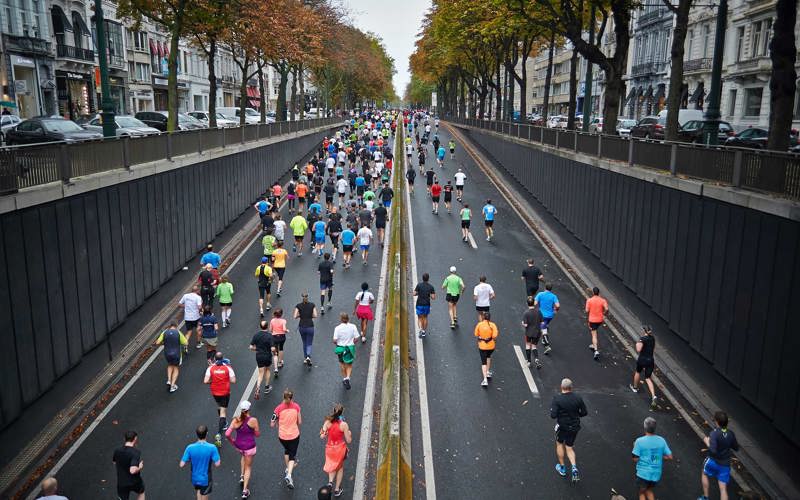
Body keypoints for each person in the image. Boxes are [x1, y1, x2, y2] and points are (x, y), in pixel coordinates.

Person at [550, 378, 588, 482]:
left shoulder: (557, 399)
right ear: (571, 387)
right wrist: (576, 415)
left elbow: (553, 415)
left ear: (561, 387)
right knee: (569, 447)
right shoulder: (578, 398)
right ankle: (574, 467)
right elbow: (584, 413)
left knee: (559, 444)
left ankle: (562, 468)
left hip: (562, 427)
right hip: (574, 427)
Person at [698, 411, 740, 500]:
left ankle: (705, 497)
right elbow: (736, 448)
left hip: (712, 461)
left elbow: (713, 450)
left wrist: (707, 442)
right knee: (723, 489)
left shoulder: (714, 434)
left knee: (704, 473)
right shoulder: (731, 434)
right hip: (725, 464)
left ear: (716, 422)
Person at [632, 417, 673, 500]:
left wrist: (635, 448)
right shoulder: (661, 440)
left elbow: (635, 459)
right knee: (649, 490)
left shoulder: (639, 441)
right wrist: (658, 456)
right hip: (656, 474)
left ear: (645, 427)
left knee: (642, 492)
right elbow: (670, 457)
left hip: (643, 473)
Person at [225, 401, 260, 499]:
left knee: (243, 457)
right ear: (249, 409)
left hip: (239, 447)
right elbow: (257, 434)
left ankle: (241, 476)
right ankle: (245, 491)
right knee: (248, 467)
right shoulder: (253, 420)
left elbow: (227, 434)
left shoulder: (236, 420)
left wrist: (233, 442)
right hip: (250, 447)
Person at [179, 425, 221, 500]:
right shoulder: (212, 448)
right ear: (207, 433)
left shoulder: (189, 447)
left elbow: (182, 464)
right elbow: (217, 464)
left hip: (195, 478)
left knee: (198, 490)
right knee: (204, 494)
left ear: (197, 434)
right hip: (205, 478)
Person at [272, 389, 302, 489]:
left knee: (287, 450)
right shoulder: (296, 407)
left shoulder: (278, 409)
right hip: (294, 435)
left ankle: (287, 468)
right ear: (292, 398)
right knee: (292, 456)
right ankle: (289, 475)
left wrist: (277, 423)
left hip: (282, 436)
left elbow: (272, 423)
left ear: (283, 397)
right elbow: (300, 421)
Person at [204, 352, 236, 446]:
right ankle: (219, 433)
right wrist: (225, 379)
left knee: (219, 406)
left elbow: (205, 381)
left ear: (214, 358)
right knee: (223, 412)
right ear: (223, 358)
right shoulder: (228, 368)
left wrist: (213, 380)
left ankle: (224, 422)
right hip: (225, 392)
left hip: (215, 392)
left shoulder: (210, 368)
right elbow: (233, 380)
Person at [321, 404, 352, 497]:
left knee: (332, 464)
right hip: (339, 449)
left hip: (330, 448)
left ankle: (330, 482)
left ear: (333, 411)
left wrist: (325, 433)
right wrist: (349, 433)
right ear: (342, 413)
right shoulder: (344, 425)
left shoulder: (327, 422)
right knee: (339, 467)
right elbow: (349, 440)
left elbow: (322, 436)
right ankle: (337, 489)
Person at [629, 325, 658, 409]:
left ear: (644, 330)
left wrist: (637, 343)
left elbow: (638, 349)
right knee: (648, 378)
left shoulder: (642, 339)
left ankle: (635, 387)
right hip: (650, 360)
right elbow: (653, 349)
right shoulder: (653, 338)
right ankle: (653, 396)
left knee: (638, 372)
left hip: (642, 360)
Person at [113, 430, 145, 500]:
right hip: (134, 482)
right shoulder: (135, 452)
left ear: (124, 439)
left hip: (122, 483)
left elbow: (114, 462)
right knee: (141, 492)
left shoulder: (117, 450)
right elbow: (132, 471)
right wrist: (140, 467)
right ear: (135, 439)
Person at [155, 323, 187, 392]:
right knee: (176, 368)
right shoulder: (178, 332)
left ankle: (169, 380)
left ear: (169, 326)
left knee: (170, 365)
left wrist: (164, 343)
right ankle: (172, 386)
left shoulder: (165, 332)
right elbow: (186, 343)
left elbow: (157, 342)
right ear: (176, 326)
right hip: (176, 354)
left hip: (167, 353)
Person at [474, 312, 499, 387]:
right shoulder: (493, 325)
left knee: (483, 362)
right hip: (491, 346)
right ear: (490, 318)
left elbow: (476, 334)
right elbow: (494, 335)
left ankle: (485, 380)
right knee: (488, 357)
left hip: (482, 346)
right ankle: (487, 372)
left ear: (483, 317)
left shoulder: (479, 324)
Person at [534, 284, 560, 354]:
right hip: (550, 316)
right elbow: (558, 305)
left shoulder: (540, 294)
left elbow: (535, 303)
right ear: (551, 289)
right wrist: (555, 310)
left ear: (545, 287)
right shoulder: (554, 296)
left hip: (541, 315)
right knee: (545, 325)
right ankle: (543, 339)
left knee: (543, 329)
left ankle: (547, 345)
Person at [249, 320, 273, 399]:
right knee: (268, 370)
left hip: (259, 356)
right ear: (267, 326)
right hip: (267, 355)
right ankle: (266, 387)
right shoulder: (269, 336)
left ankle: (258, 387)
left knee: (260, 373)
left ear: (260, 326)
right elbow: (272, 349)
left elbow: (251, 347)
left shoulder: (256, 335)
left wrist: (258, 349)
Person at [294, 292, 318, 366]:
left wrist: (300, 315)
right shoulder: (312, 305)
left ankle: (305, 358)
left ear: (302, 297)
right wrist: (310, 315)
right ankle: (308, 356)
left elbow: (295, 316)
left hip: (302, 327)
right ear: (308, 297)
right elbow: (315, 315)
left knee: (304, 342)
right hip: (310, 326)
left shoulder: (298, 306)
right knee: (309, 342)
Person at [585, 287, 609, 361]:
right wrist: (604, 313)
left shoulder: (589, 300)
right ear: (599, 293)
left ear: (593, 293)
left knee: (594, 334)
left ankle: (595, 350)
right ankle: (593, 344)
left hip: (592, 320)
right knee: (594, 331)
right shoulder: (603, 300)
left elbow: (586, 310)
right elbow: (607, 309)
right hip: (600, 320)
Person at [179, 285, 203, 350]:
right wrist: (201, 311)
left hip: (187, 317)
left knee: (189, 331)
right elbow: (199, 307)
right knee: (198, 329)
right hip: (196, 317)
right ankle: (198, 343)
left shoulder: (185, 296)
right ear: (197, 290)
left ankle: (185, 344)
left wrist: (186, 306)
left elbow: (179, 304)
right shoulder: (198, 297)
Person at [521, 297, 543, 369]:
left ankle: (529, 361)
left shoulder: (526, 313)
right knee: (534, 346)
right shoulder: (539, 312)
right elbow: (542, 322)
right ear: (534, 303)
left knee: (528, 345)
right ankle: (536, 359)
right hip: (537, 332)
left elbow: (526, 325)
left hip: (529, 333)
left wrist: (523, 323)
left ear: (527, 303)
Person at [413, 273, 436, 338]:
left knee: (420, 317)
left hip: (419, 304)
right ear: (428, 279)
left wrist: (418, 293)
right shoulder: (431, 287)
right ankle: (423, 331)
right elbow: (433, 297)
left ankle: (420, 329)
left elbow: (414, 293)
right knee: (425, 317)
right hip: (427, 304)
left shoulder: (419, 285)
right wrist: (429, 294)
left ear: (422, 278)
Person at [269, 308, 289, 375]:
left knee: (275, 353)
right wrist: (287, 330)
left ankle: (275, 368)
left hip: (274, 337)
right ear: (281, 314)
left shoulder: (272, 321)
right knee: (281, 348)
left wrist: (273, 331)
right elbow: (284, 329)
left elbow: (270, 330)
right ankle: (280, 362)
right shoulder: (283, 321)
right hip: (282, 337)